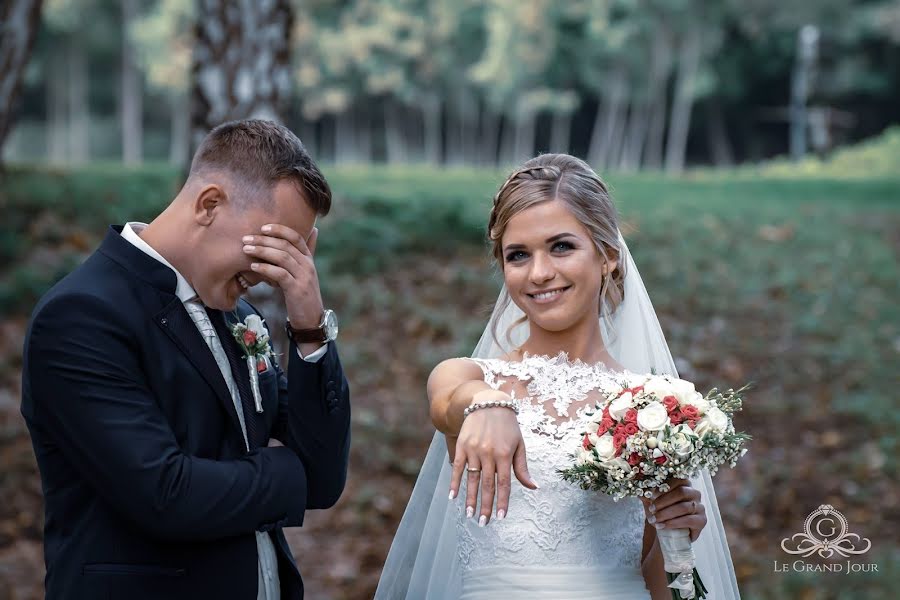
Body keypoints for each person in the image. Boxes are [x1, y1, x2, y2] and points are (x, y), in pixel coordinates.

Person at [376, 153, 740, 599]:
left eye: (561, 246)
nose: (540, 272)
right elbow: (447, 400)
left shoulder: (651, 410)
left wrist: (676, 536)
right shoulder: (470, 375)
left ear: (607, 255)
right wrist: (487, 403)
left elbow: (653, 586)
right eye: (518, 256)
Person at [20, 119, 350, 600]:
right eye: (270, 244)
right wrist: (291, 473)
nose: (269, 272)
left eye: (291, 252)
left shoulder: (237, 313)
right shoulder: (81, 316)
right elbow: (165, 492)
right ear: (209, 204)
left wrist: (309, 328)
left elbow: (324, 478)